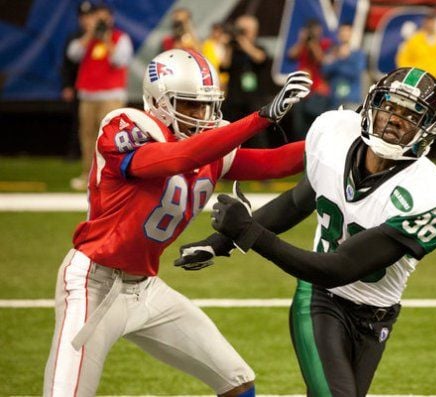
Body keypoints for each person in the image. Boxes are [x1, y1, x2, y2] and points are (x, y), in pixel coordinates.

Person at [176, 67, 436, 396]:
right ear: (371, 105)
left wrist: (248, 231)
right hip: (320, 300)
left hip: (376, 315)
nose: (394, 119)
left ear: (428, 129)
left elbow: (341, 267)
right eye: (389, 106)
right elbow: (297, 202)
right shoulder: (334, 133)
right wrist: (220, 242)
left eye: (410, 115)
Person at [43, 49, 312, 397]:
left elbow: (273, 163)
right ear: (158, 102)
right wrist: (260, 118)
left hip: (146, 289)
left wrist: (337, 139)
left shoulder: (210, 146)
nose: (201, 115)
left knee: (237, 382)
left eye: (206, 105)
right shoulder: (125, 127)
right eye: (189, 105)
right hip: (93, 283)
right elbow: (179, 157)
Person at [67, 4, 133, 191]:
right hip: (88, 95)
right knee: (87, 135)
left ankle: (112, 176)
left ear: (111, 19)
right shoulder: (87, 40)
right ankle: (88, 174)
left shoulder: (120, 38)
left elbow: (120, 60)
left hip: (111, 96)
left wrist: (106, 39)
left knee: (111, 137)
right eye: (98, 18)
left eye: (104, 19)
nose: (101, 23)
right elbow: (72, 54)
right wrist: (90, 34)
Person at [220, 15, 271, 147]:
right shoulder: (234, 50)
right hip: (233, 100)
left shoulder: (258, 48)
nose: (241, 33)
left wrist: (243, 41)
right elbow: (224, 67)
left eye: (245, 30)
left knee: (256, 137)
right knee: (231, 136)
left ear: (254, 31)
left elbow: (260, 59)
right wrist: (228, 46)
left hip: (253, 101)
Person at [61, 1, 96, 160]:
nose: (86, 20)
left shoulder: (106, 36)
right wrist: (67, 85)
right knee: (80, 123)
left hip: (99, 87)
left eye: (89, 16)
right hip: (79, 86)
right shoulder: (75, 37)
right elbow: (69, 60)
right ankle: (75, 153)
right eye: (83, 17)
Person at [287, 19, 332, 136]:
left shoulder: (324, 43)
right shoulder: (302, 45)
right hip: (301, 91)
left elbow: (321, 60)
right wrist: (302, 40)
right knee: (299, 127)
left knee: (315, 125)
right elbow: (291, 55)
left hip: (317, 91)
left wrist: (313, 44)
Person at [396, 11, 436, 91]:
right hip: (416, 82)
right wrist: (409, 79)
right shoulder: (414, 40)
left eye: (432, 23)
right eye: (428, 22)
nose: (430, 25)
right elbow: (403, 59)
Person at [322, 23, 366, 110]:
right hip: (334, 100)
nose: (344, 34)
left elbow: (356, 73)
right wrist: (339, 58)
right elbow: (325, 71)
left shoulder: (358, 54)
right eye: (342, 31)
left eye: (347, 31)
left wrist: (339, 61)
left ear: (351, 33)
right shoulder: (332, 52)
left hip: (351, 100)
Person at [202, 23, 231, 89]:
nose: (216, 34)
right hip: (211, 79)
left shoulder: (226, 46)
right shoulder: (207, 44)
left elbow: (226, 64)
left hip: (224, 81)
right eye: (214, 31)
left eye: (219, 31)